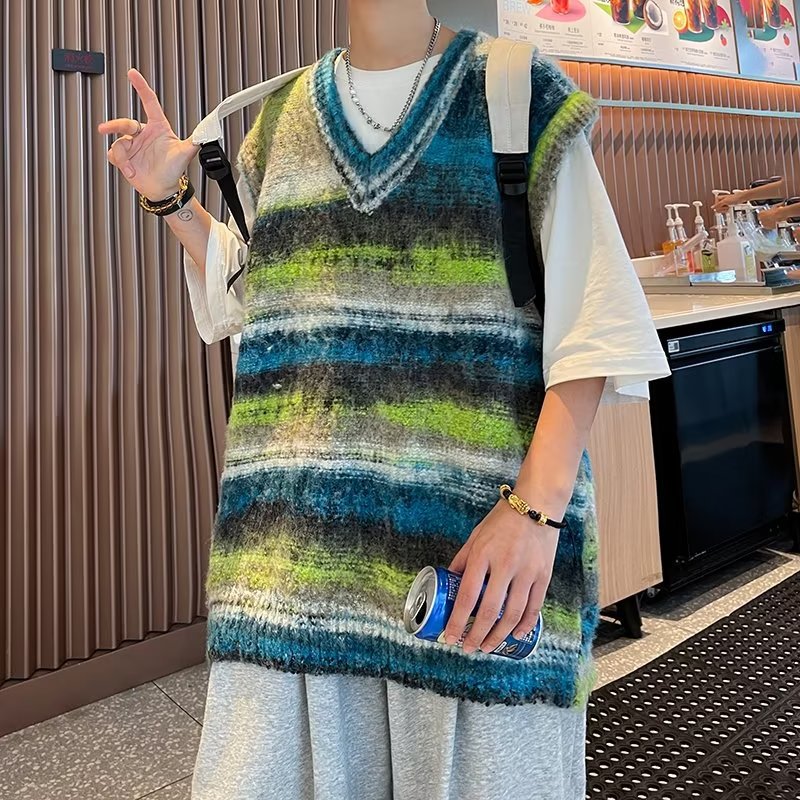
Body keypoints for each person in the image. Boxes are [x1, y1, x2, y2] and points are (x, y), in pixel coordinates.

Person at [98, 2, 670, 797]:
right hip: (291, 579)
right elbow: (275, 298)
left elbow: (594, 322)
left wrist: (534, 514)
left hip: (469, 578)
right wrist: (171, 202)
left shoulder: (515, 91)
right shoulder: (276, 122)